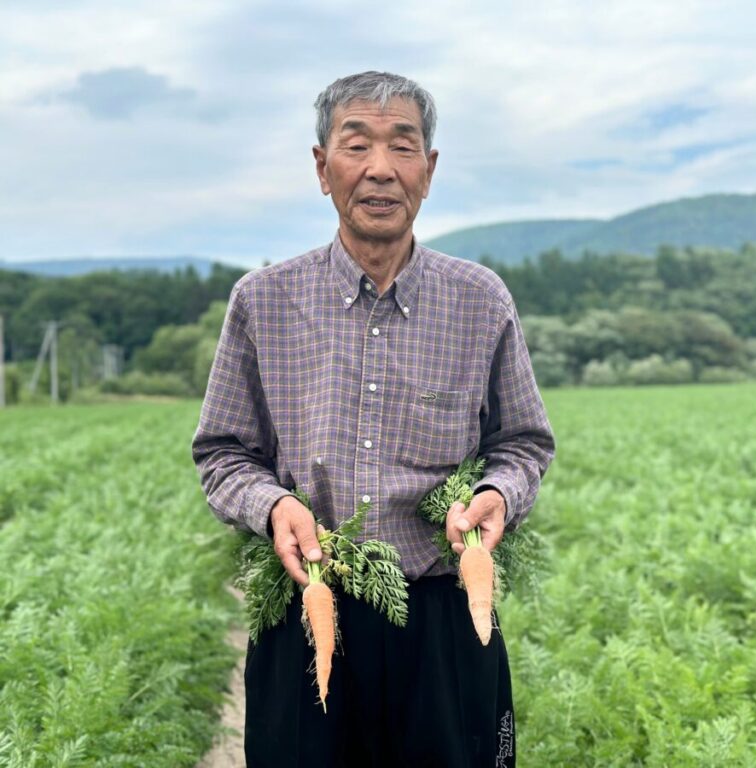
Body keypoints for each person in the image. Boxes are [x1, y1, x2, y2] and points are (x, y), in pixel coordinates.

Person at [191, 71, 555, 767]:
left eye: (403, 147)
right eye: (356, 146)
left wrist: (496, 496)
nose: (381, 169)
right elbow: (223, 453)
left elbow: (523, 443)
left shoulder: (479, 300)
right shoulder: (263, 301)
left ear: (430, 169)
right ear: (323, 169)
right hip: (308, 612)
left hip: (447, 620)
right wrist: (272, 507)